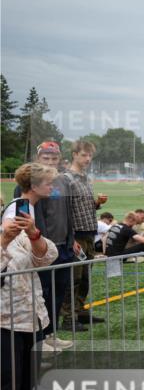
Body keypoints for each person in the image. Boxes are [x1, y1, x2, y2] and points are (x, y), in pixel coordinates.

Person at [1, 168, 59, 390]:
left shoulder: (24, 218)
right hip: (5, 314)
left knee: (24, 377)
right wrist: (3, 241)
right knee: (7, 380)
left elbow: (45, 257)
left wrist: (34, 234)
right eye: (49, 182)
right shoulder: (11, 218)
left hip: (27, 312)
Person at [13, 142, 77, 347]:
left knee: (58, 292)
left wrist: (71, 238)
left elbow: (69, 212)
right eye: (46, 158)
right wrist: (40, 243)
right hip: (43, 250)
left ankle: (50, 334)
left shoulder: (64, 182)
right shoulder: (27, 184)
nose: (50, 161)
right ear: (38, 158)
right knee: (41, 293)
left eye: (54, 158)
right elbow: (27, 218)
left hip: (63, 247)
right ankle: (38, 338)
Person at [62, 140, 107, 326]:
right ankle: (68, 316)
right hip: (77, 234)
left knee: (86, 277)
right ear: (74, 155)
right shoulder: (66, 179)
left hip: (89, 232)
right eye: (84, 155)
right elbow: (64, 211)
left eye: (90, 155)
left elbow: (83, 207)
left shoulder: (86, 178)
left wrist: (97, 204)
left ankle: (79, 311)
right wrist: (70, 238)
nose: (87, 159)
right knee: (74, 277)